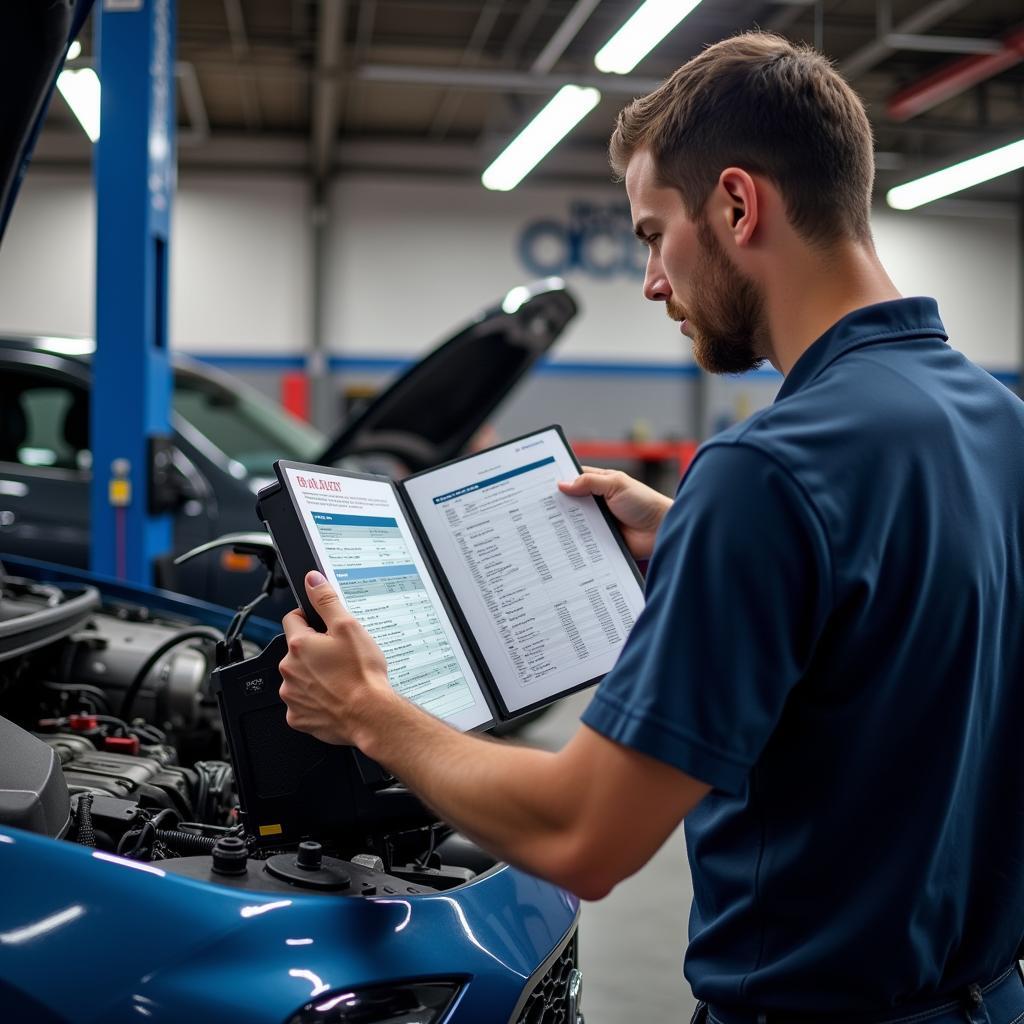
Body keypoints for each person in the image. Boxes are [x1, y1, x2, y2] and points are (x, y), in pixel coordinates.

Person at [278, 31, 1024, 1023]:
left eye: (648, 233)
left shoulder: (767, 474)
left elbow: (584, 834)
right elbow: (903, 618)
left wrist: (367, 706)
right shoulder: (993, 421)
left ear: (735, 203)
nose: (651, 279)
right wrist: (694, 533)